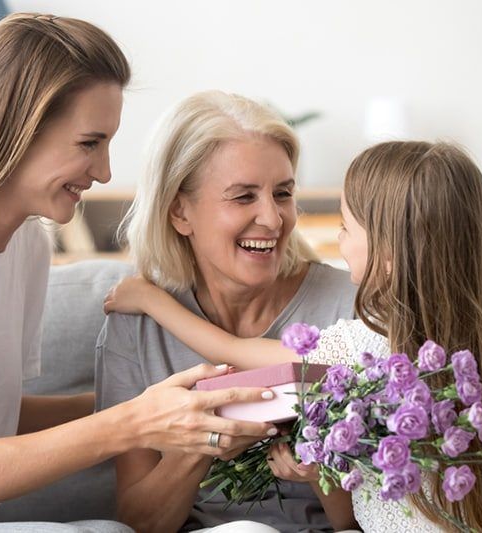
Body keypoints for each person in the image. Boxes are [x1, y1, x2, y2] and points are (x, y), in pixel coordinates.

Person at [0, 14, 281, 530]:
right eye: (89, 143)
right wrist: (132, 422)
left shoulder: (26, 245)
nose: (104, 171)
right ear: (15, 128)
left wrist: (168, 403)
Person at [106, 141, 482, 532]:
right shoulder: (480, 350)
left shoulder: (361, 349)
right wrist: (318, 470)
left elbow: (231, 349)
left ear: (388, 254)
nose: (338, 242)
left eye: (345, 228)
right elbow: (349, 520)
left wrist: (151, 300)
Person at [95, 90, 358, 533]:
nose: (273, 220)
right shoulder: (136, 327)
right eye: (243, 197)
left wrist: (323, 469)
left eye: (282, 193)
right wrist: (202, 442)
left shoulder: (349, 309)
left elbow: (383, 513)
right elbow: (137, 522)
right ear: (180, 211)